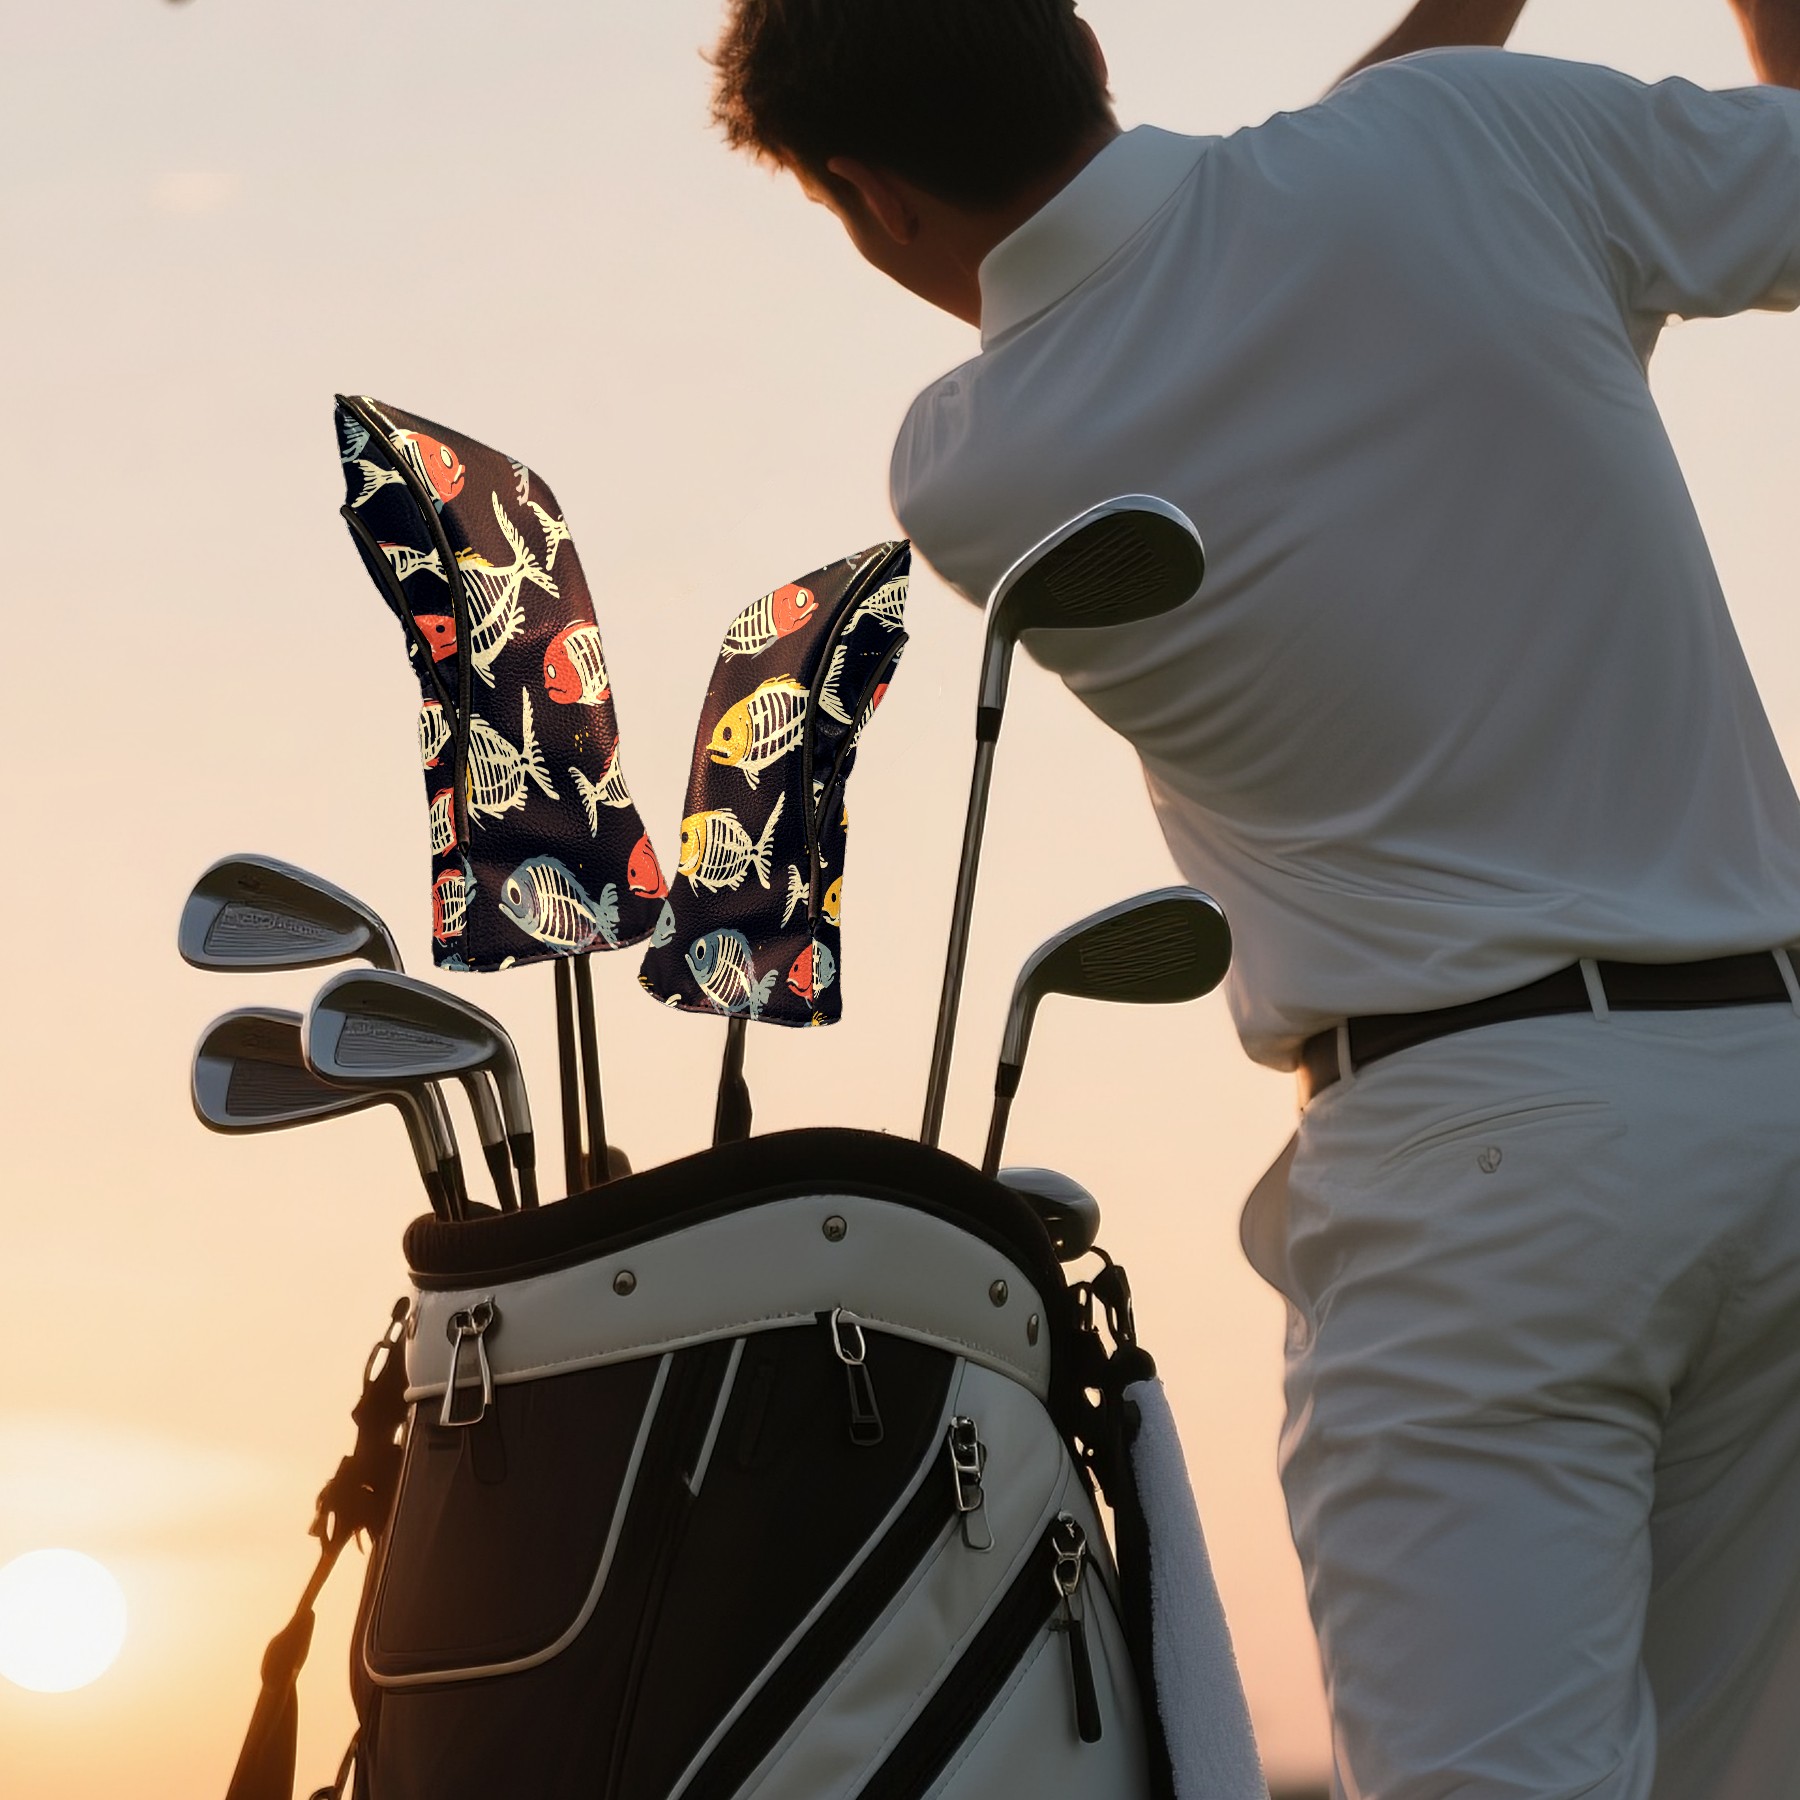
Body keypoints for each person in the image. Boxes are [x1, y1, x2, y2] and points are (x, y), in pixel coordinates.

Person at [708, 2, 1800, 1795]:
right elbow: (1317, 194)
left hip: (1476, 1179)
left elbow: (1260, 231)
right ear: (1082, 43)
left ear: (873, 197)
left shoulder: (975, 462)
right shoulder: (1474, 142)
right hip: (1772, 1096)